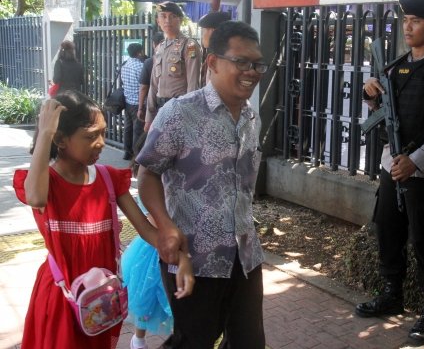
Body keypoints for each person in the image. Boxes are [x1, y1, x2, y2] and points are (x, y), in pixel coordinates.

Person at [13, 90, 195, 349]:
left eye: (103, 132)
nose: (100, 142)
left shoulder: (109, 179)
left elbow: (147, 231)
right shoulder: (46, 183)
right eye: (90, 136)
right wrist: (44, 133)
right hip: (61, 296)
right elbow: (35, 197)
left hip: (101, 300)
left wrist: (180, 258)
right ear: (61, 140)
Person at [137, 20, 268, 348]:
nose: (251, 71)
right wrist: (164, 227)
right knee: (194, 341)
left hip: (245, 255)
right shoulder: (179, 113)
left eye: (256, 63)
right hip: (194, 257)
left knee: (249, 342)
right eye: (241, 62)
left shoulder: (253, 117)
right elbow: (148, 173)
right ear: (212, 62)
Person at [354, 0, 424, 345]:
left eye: (416, 20)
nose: (409, 26)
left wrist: (416, 160)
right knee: (387, 229)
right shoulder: (396, 66)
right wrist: (372, 94)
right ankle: (392, 292)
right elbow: (388, 108)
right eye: (406, 20)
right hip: (391, 165)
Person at [121, 196, 174, 349]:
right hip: (151, 250)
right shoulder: (152, 188)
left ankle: (180, 336)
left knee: (175, 300)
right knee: (144, 298)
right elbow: (151, 222)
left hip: (177, 247)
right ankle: (138, 339)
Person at [145, 1, 201, 131]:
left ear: (180, 20)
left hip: (179, 108)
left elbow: (193, 85)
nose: (167, 20)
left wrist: (189, 117)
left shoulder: (189, 45)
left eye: (172, 16)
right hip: (161, 108)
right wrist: (149, 116)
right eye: (163, 16)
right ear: (158, 21)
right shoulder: (159, 48)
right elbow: (153, 84)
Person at [121, 42, 145, 160]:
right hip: (137, 102)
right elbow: (143, 85)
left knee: (128, 127)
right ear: (139, 53)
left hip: (127, 100)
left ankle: (127, 151)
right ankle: (136, 155)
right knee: (137, 130)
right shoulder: (140, 66)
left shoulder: (125, 64)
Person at [138, 32, 165, 124]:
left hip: (153, 104)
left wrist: (140, 108)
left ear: (154, 44)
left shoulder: (149, 62)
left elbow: (143, 87)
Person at [198, 11, 232, 85]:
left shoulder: (221, 59)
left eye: (203, 32)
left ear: (213, 32)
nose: (202, 36)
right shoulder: (216, 54)